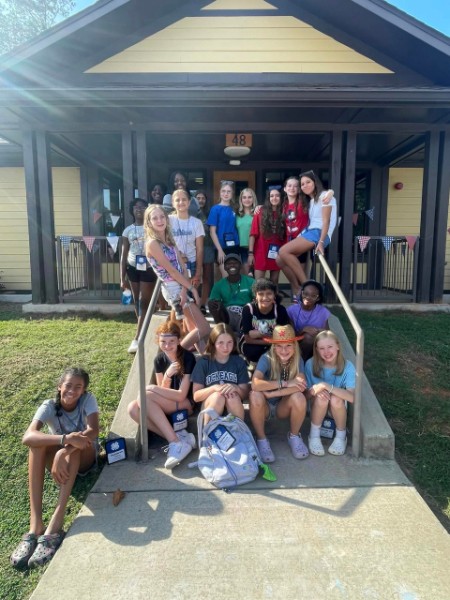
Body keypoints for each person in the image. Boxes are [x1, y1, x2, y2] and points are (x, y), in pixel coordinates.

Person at [10, 368, 99, 570]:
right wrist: (64, 439)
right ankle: (36, 525)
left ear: (84, 390)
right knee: (36, 445)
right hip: (63, 457)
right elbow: (28, 436)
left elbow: (93, 430)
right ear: (59, 387)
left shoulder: (88, 400)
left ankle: (56, 524)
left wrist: (63, 451)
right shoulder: (49, 405)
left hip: (84, 457)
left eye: (78, 387)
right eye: (68, 385)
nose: (72, 391)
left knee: (76, 444)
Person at [128, 321, 197, 469]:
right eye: (163, 341)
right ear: (158, 342)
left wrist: (152, 388)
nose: (167, 345)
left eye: (172, 341)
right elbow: (163, 389)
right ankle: (178, 439)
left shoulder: (188, 357)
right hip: (168, 403)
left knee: (145, 397)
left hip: (185, 404)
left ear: (179, 340)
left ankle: (176, 443)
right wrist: (167, 375)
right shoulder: (159, 360)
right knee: (133, 409)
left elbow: (180, 395)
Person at [144, 204, 210, 353]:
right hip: (173, 288)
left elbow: (183, 268)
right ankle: (173, 355)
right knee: (204, 328)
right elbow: (172, 271)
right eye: (155, 218)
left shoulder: (170, 240)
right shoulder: (152, 243)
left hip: (181, 286)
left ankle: (205, 364)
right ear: (149, 222)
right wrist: (192, 289)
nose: (159, 220)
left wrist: (185, 290)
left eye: (162, 217)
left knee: (195, 330)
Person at [250, 325, 308, 462]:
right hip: (264, 406)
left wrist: (273, 394)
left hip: (283, 406)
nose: (284, 350)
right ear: (274, 347)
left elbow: (301, 386)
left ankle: (294, 436)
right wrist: (285, 383)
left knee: (299, 397)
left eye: (288, 346)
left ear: (294, 346)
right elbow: (255, 383)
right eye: (279, 346)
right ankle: (262, 440)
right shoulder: (266, 358)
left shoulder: (297, 360)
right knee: (254, 395)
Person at [278, 171, 337, 299]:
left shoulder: (325, 196)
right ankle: (298, 286)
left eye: (308, 182)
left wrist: (321, 242)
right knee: (279, 259)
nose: (305, 185)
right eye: (303, 183)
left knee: (283, 251)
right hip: (309, 232)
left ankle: (306, 285)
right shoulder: (311, 201)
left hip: (319, 233)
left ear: (315, 182)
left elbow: (326, 221)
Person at [305, 330, 355, 457]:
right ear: (316, 350)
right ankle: (314, 436)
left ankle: (341, 436)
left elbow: (351, 397)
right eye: (322, 348)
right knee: (322, 397)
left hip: (337, 409)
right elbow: (305, 395)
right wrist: (315, 390)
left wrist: (326, 386)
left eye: (330, 347)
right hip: (316, 405)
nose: (326, 352)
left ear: (338, 346)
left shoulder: (348, 366)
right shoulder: (310, 364)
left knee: (336, 399)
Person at [120, 198, 157, 353]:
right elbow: (123, 254)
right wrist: (122, 278)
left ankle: (137, 338)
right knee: (137, 301)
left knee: (143, 302)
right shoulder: (127, 230)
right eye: (135, 207)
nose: (139, 209)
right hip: (132, 267)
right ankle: (143, 327)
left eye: (142, 207)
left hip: (148, 268)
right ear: (132, 210)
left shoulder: (152, 228)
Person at [191, 323, 250, 420]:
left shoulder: (239, 362)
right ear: (213, 343)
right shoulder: (204, 362)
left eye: (229, 342)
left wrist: (235, 388)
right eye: (221, 343)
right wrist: (214, 388)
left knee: (233, 396)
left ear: (234, 343)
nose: (226, 347)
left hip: (233, 406)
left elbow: (244, 394)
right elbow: (196, 396)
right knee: (218, 397)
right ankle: (208, 432)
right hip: (210, 404)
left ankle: (238, 432)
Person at [239, 278, 290, 364]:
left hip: (273, 344)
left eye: (269, 293)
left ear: (274, 295)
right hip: (253, 344)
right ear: (256, 296)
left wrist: (258, 334)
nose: (265, 298)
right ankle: (252, 365)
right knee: (253, 351)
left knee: (281, 350)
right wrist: (270, 338)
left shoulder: (280, 310)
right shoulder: (248, 309)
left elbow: (283, 336)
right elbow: (248, 339)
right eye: (261, 294)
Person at [207, 253, 254, 335]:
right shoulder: (219, 285)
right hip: (227, 316)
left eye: (235, 263)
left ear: (240, 265)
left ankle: (243, 331)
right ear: (225, 267)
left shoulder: (251, 282)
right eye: (229, 264)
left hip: (245, 314)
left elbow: (257, 299)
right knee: (212, 303)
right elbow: (214, 304)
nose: (232, 265)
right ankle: (222, 330)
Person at [168, 189, 205, 289]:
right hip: (173, 264)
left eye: (184, 199)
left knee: (190, 296)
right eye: (177, 200)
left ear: (189, 203)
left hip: (191, 264)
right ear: (173, 203)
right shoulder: (168, 220)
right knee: (175, 298)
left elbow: (200, 249)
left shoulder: (197, 223)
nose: (181, 202)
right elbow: (164, 243)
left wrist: (198, 272)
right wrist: (177, 254)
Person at [248, 187, 285, 285]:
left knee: (275, 281)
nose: (274, 198)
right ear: (268, 198)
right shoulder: (260, 212)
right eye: (272, 196)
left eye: (277, 196)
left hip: (277, 251)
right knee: (259, 282)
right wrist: (250, 253)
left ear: (281, 197)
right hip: (261, 251)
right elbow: (253, 234)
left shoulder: (284, 212)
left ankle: (274, 300)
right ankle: (257, 300)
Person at [287, 280, 331, 361]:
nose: (308, 297)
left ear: (318, 298)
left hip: (316, 345)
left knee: (310, 338)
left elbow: (328, 334)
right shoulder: (291, 311)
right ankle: (301, 362)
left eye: (313, 296)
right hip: (296, 343)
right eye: (305, 294)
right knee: (307, 337)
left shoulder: (323, 311)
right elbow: (290, 335)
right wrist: (303, 330)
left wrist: (320, 331)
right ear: (302, 293)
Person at [207, 180, 240, 278]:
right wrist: (220, 250)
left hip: (235, 246)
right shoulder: (215, 209)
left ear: (232, 193)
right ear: (220, 193)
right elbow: (212, 232)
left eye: (228, 191)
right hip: (221, 247)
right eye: (223, 191)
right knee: (226, 276)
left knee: (235, 276)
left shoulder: (236, 208)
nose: (226, 194)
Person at [196, 189, 215, 311]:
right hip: (194, 249)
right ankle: (195, 302)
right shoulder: (191, 213)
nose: (201, 200)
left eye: (203, 198)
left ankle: (203, 303)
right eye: (198, 198)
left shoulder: (210, 213)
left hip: (208, 247)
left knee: (207, 277)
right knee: (195, 276)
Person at [235, 187, 256, 272]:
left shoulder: (257, 213)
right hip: (241, 249)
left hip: (255, 249)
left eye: (249, 197)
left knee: (255, 276)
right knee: (246, 276)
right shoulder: (237, 215)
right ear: (241, 200)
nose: (247, 200)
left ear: (253, 199)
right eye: (244, 197)